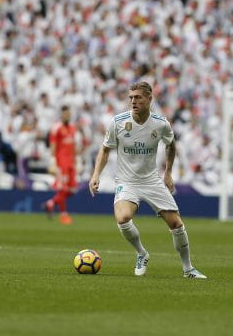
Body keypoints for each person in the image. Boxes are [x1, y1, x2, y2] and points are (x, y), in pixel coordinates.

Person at [88, 81, 206, 279]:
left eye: (138, 97)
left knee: (176, 223)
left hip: (151, 181)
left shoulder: (160, 124)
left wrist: (168, 173)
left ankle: (188, 269)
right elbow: (105, 149)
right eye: (131, 97)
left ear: (149, 99)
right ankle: (142, 253)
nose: (133, 101)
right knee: (123, 218)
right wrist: (95, 174)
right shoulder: (118, 122)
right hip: (127, 181)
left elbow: (171, 145)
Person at [44, 105, 77, 225]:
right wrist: (52, 162)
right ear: (62, 115)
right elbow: (52, 146)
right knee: (63, 189)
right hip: (61, 163)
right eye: (66, 114)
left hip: (71, 163)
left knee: (72, 190)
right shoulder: (56, 128)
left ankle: (51, 203)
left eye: (69, 114)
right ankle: (63, 215)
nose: (68, 116)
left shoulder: (72, 128)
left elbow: (73, 146)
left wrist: (77, 160)